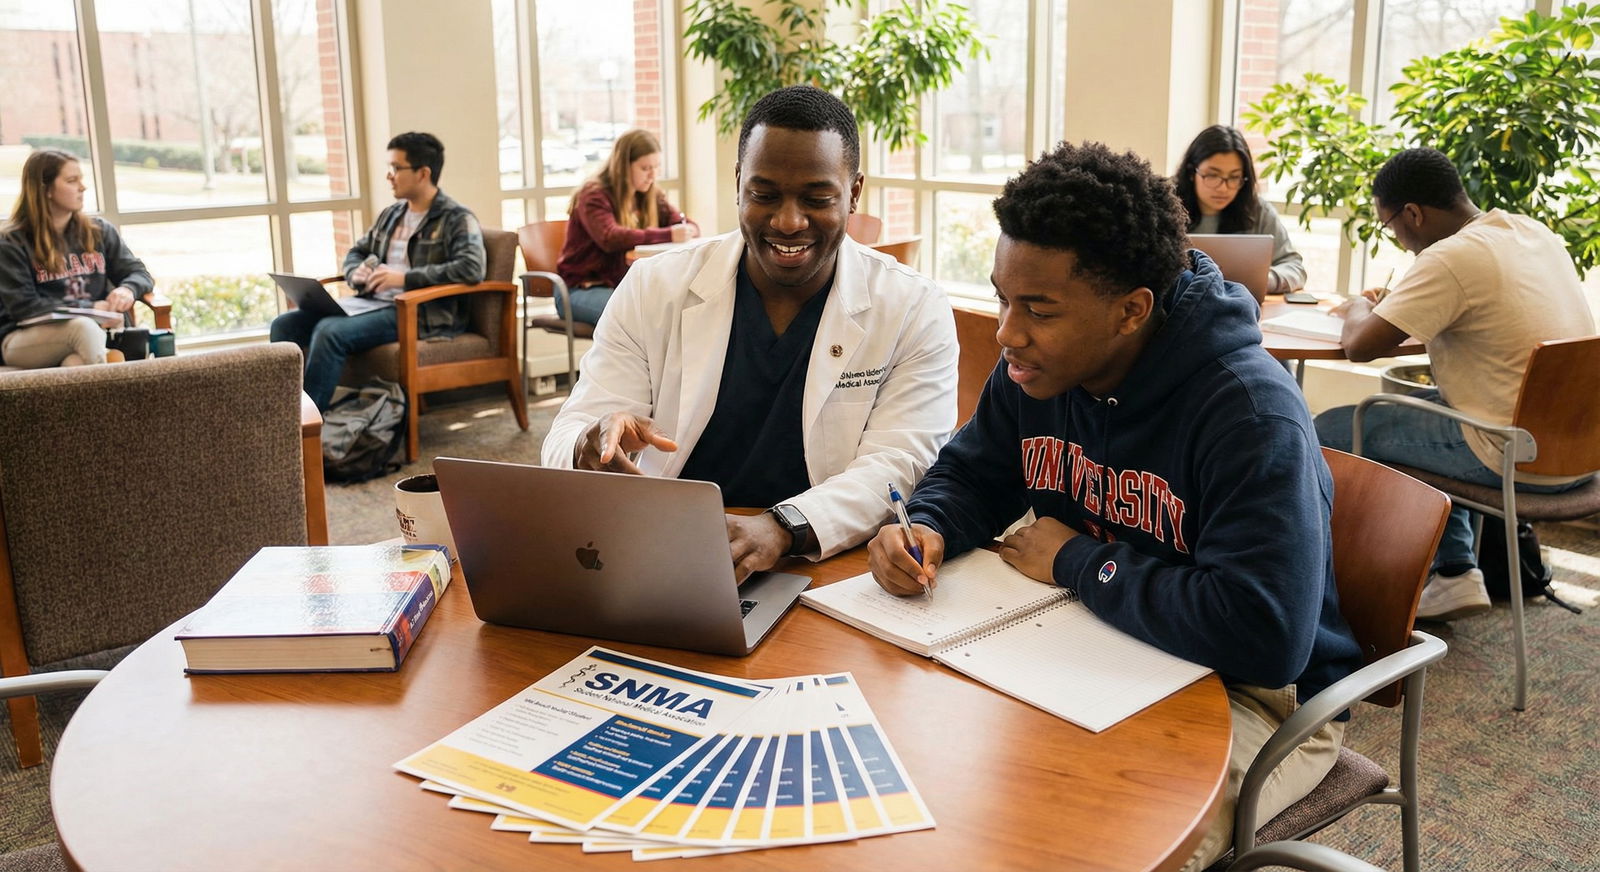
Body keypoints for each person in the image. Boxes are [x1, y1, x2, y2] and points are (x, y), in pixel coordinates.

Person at [865, 141, 1361, 871]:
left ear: (1131, 311)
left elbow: (1265, 635)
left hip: (1253, 696)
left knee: (1104, 847)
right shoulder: (1035, 369)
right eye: (1003, 299)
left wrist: (1076, 560)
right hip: (1091, 641)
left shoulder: (1249, 415)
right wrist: (930, 525)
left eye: (1038, 310)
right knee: (943, 781)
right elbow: (973, 472)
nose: (1007, 333)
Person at [541, 85, 958, 579]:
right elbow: (570, 431)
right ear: (738, 183)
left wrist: (783, 527)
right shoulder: (655, 286)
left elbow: (899, 462)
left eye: (817, 198)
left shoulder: (912, 306)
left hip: (824, 560)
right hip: (667, 553)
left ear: (854, 193)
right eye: (764, 195)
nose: (788, 221)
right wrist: (586, 445)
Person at [1315, 147, 1596, 620]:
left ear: (1413, 214)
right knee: (1419, 410)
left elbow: (1360, 345)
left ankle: (1335, 589)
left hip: (1513, 455)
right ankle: (1456, 572)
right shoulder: (1531, 232)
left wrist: (1357, 306)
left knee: (1328, 430)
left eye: (1390, 227)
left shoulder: (1449, 257)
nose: (1399, 241)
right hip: (1579, 450)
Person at [270, 132, 485, 411]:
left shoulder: (456, 218)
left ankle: (309, 424)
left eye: (396, 167)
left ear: (423, 173)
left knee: (330, 331)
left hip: (419, 312)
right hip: (371, 303)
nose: (389, 175)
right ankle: (282, 414)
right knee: (284, 324)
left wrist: (404, 279)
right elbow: (356, 252)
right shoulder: (392, 214)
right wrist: (355, 272)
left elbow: (472, 267)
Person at [0, 149, 153, 368]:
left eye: (81, 179)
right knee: (83, 327)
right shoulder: (11, 242)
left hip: (91, 338)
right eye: (72, 181)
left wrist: (128, 289)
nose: (83, 187)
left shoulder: (98, 231)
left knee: (75, 363)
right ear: (46, 189)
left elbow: (138, 272)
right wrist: (92, 308)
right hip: (23, 339)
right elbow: (26, 307)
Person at [555, 129, 699, 327]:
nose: (652, 175)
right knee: (640, 317)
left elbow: (685, 223)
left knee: (676, 309)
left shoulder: (649, 193)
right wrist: (670, 234)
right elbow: (610, 237)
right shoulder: (593, 195)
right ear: (623, 167)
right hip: (578, 290)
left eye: (656, 167)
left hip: (620, 288)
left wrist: (687, 229)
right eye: (645, 168)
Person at [1174, 124, 1306, 295]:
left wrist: (1266, 280)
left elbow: (1295, 268)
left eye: (1234, 177)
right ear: (1191, 172)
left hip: (1241, 305)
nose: (1223, 188)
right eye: (1212, 175)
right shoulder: (1164, 205)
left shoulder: (1258, 212)